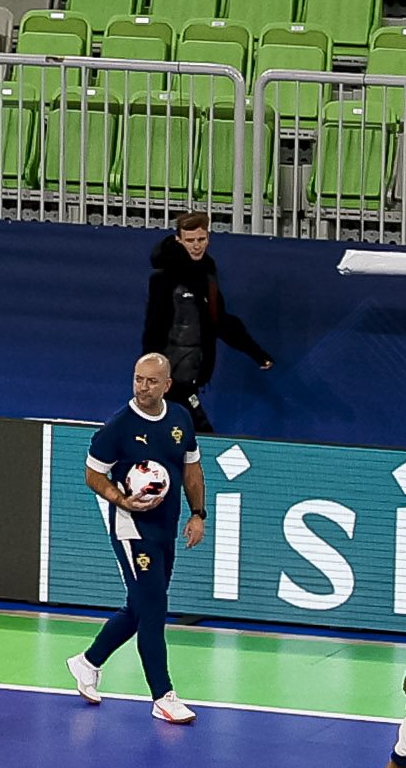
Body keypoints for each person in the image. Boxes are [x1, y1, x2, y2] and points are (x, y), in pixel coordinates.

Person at [68, 350, 204, 726]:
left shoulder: (180, 418)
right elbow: (93, 475)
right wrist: (120, 499)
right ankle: (163, 696)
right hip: (132, 530)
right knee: (154, 610)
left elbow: (192, 468)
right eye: (138, 379)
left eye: (151, 381)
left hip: (166, 527)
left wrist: (198, 513)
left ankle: (87, 662)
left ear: (167, 385)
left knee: (139, 607)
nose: (143, 387)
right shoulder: (118, 427)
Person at [140, 208, 271, 423]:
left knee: (181, 432)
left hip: (192, 374)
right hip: (170, 377)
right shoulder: (164, 277)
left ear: (208, 238)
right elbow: (154, 327)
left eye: (201, 239)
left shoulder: (207, 273)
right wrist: (153, 373)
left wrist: (255, 352)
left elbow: (219, 320)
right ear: (178, 240)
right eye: (190, 240)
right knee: (199, 430)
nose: (196, 245)